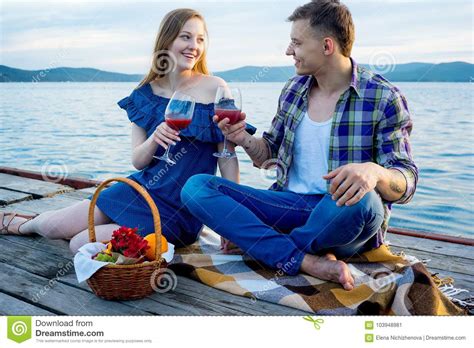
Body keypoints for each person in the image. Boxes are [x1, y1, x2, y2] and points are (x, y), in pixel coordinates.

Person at [181, 0, 418, 291]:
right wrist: (243, 139)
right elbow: (268, 154)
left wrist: (374, 173)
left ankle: (265, 246)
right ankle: (306, 260)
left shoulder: (383, 97)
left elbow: (406, 181)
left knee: (366, 200)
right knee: (197, 188)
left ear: (327, 46)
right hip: (288, 206)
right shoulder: (294, 90)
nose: (288, 51)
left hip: (342, 214)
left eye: (296, 42)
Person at [0, 8, 254, 253]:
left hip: (179, 212)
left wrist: (229, 223)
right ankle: (23, 224)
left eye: (200, 39)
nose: (194, 46)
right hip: (139, 190)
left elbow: (228, 160)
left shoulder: (215, 87)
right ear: (167, 40)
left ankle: (35, 221)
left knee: (79, 243)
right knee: (55, 226)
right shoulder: (144, 95)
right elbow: (138, 161)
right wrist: (155, 137)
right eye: (185, 37)